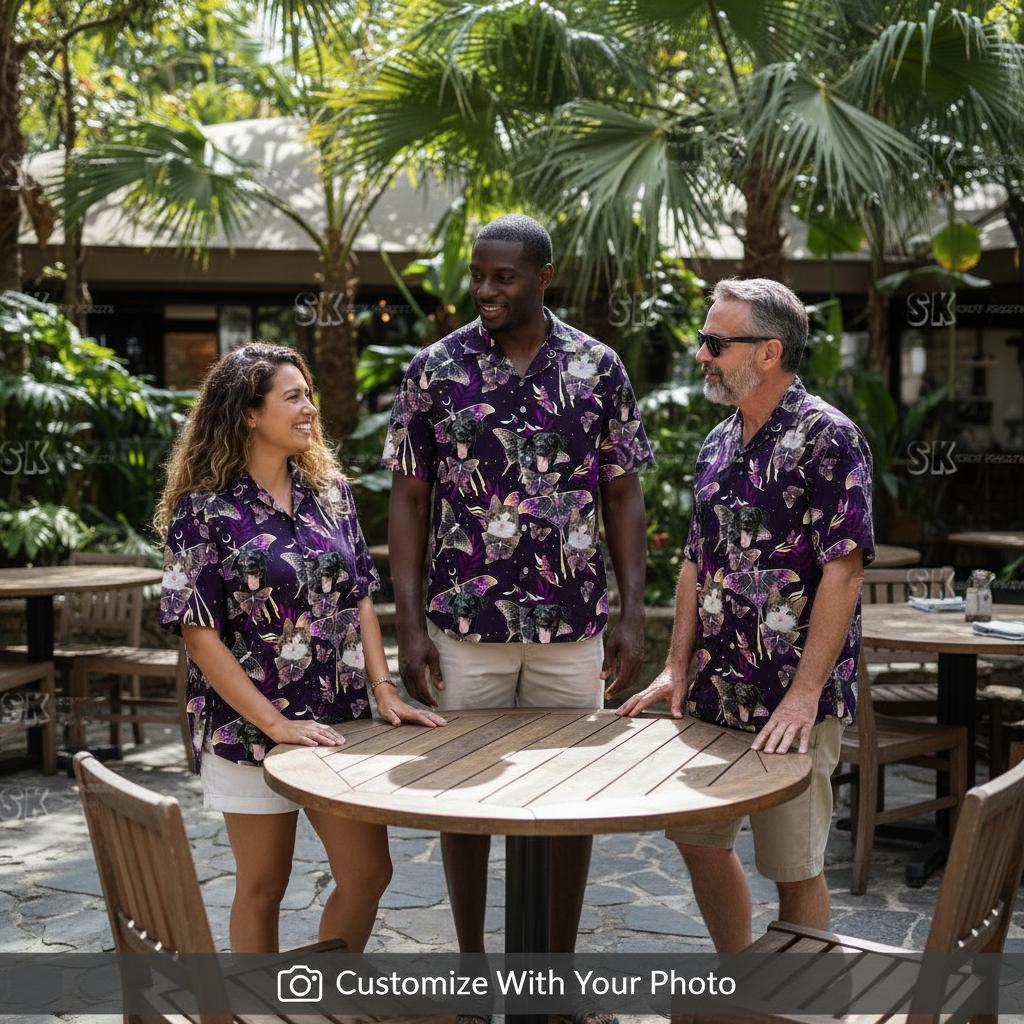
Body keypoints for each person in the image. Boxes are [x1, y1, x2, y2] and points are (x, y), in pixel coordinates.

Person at [383, 214, 653, 969]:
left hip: (572, 630)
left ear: (544, 277)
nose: (485, 289)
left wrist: (631, 614)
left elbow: (623, 493)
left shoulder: (598, 367)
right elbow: (408, 500)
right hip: (466, 629)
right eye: (478, 275)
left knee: (570, 803)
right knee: (461, 800)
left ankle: (555, 974)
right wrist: (410, 627)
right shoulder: (435, 369)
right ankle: (472, 968)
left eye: (503, 277)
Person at [155, 343, 445, 954]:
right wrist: (276, 725)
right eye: (293, 397)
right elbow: (198, 633)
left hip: (338, 724)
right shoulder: (202, 510)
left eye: (309, 394)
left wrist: (384, 688)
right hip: (246, 729)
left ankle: (323, 995)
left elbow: (360, 596)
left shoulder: (331, 493)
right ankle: (257, 1003)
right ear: (249, 413)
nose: (310, 407)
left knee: (368, 873)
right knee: (264, 885)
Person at [619, 278, 874, 952]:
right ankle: (738, 981)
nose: (701, 354)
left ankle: (799, 999)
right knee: (698, 842)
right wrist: (675, 667)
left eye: (715, 342)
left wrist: (806, 694)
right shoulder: (717, 443)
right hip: (712, 695)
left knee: (794, 867)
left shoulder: (829, 437)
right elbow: (694, 563)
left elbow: (845, 571)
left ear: (768, 352)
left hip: (791, 703)